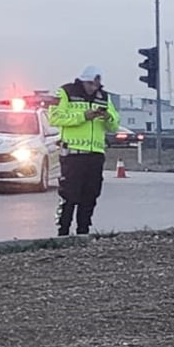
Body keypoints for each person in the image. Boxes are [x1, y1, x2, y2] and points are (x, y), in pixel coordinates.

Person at [48, 65, 120, 236]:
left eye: (96, 85)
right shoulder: (65, 92)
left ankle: (83, 231)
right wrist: (83, 117)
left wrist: (107, 117)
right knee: (69, 195)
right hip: (73, 154)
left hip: (95, 154)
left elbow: (114, 125)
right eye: (90, 84)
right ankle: (63, 232)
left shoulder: (103, 97)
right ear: (83, 81)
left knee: (91, 195)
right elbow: (54, 117)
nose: (93, 88)